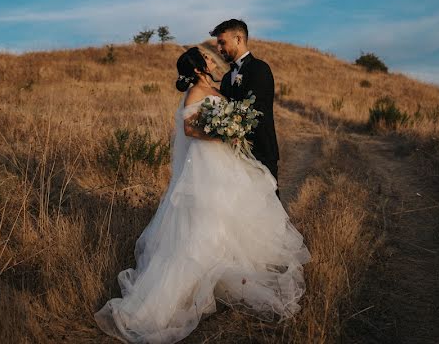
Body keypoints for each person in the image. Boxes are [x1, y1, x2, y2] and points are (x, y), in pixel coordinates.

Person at [94, 47, 310, 343]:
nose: (212, 59)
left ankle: (218, 281)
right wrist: (224, 133)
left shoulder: (213, 87)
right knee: (203, 225)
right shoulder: (196, 91)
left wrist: (232, 129)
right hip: (206, 165)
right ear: (197, 68)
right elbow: (190, 129)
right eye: (206, 58)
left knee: (229, 217)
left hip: (224, 161)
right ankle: (158, 306)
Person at [211, 19, 279, 190]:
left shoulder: (259, 69)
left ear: (238, 39)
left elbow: (255, 110)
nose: (219, 49)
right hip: (233, 155)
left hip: (260, 151)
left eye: (222, 42)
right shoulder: (226, 78)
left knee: (268, 207)